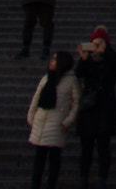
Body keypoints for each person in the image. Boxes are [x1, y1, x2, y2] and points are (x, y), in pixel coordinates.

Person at [74, 28, 116, 189]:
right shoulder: (88, 60)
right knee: (86, 148)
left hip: (105, 108)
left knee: (103, 147)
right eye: (94, 43)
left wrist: (106, 52)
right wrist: (83, 58)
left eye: (100, 43)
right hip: (88, 107)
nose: (96, 46)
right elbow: (78, 74)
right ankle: (83, 179)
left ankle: (102, 179)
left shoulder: (111, 60)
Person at [25, 50, 78, 189]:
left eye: (55, 59)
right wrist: (31, 116)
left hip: (57, 122)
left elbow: (76, 103)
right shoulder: (46, 78)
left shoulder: (71, 80)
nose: (51, 62)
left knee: (54, 157)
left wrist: (68, 121)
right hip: (41, 119)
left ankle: (51, 185)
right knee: (39, 158)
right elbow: (36, 98)